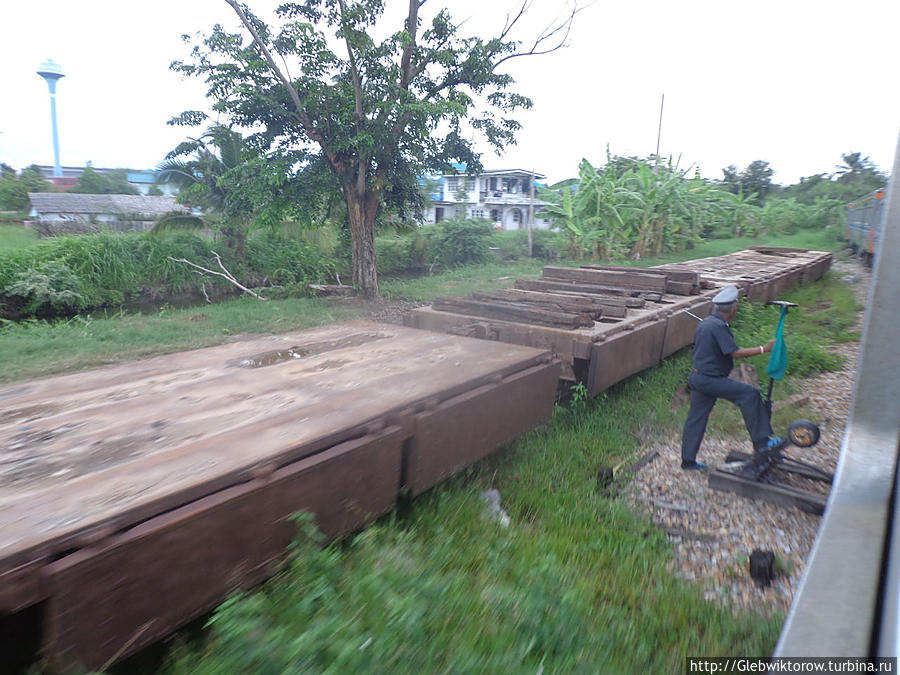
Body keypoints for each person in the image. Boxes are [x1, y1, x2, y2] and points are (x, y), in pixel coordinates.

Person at [680, 285, 784, 471]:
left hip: (698, 378)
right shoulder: (719, 326)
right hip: (711, 380)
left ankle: (688, 461)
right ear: (733, 310)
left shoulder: (705, 323)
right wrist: (764, 349)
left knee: (696, 419)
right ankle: (762, 443)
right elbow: (735, 353)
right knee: (749, 394)